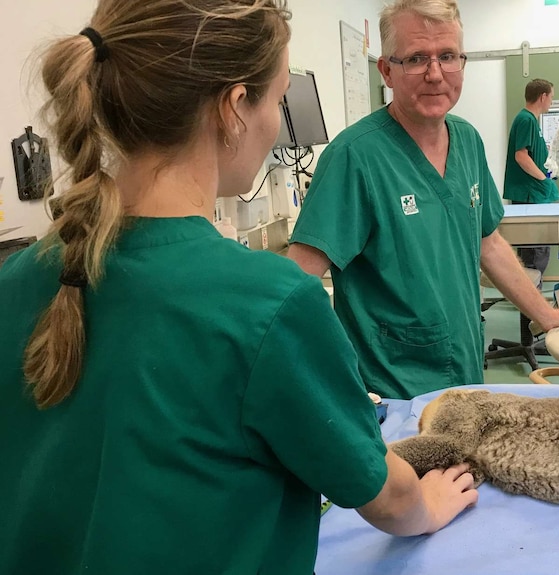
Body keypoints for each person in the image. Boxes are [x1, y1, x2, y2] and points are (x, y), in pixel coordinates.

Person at [0, 2, 477, 574]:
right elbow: (384, 493)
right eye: (278, 100)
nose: (278, 122)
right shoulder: (269, 305)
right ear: (233, 109)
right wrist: (429, 502)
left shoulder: (25, 276)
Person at [288, 0, 559, 401]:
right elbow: (297, 283)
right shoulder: (354, 156)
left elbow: (488, 243)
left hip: (463, 371)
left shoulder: (467, 140)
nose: (435, 74)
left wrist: (546, 315)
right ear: (387, 70)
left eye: (447, 56)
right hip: (390, 390)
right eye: (416, 59)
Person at [503, 78, 558, 278]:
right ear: (542, 97)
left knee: (533, 255)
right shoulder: (526, 120)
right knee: (535, 256)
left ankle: (530, 305)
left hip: (532, 194)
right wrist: (544, 179)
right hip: (529, 194)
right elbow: (521, 156)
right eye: (551, 97)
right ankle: (531, 308)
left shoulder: (530, 121)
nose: (552, 101)